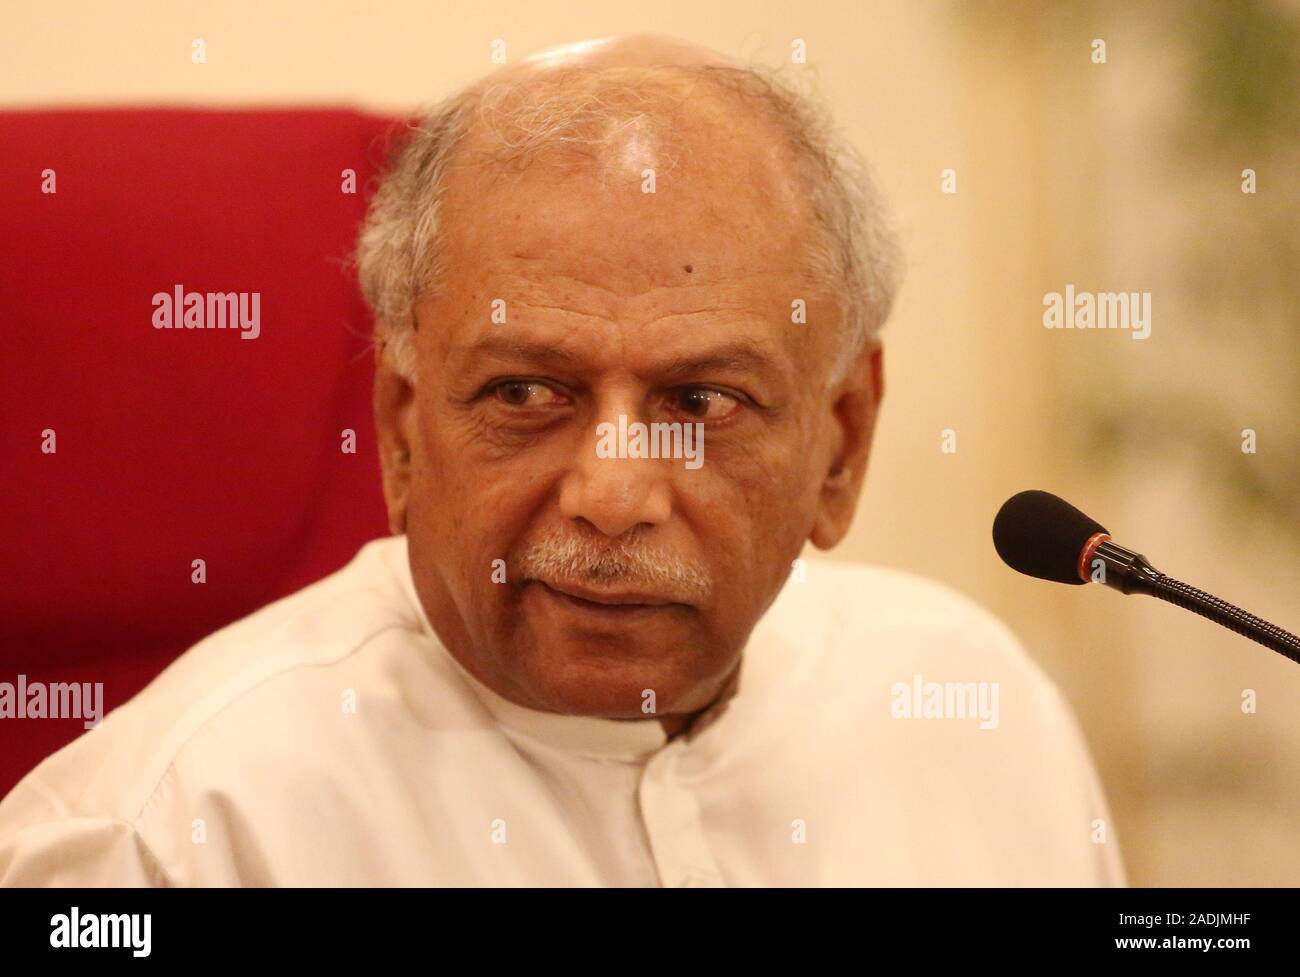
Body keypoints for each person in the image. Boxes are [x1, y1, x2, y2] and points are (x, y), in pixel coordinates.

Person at [0, 34, 1124, 886]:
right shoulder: (169, 837)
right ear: (400, 426)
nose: (613, 493)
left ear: (840, 445)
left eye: (703, 400)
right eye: (527, 393)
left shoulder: (972, 702)